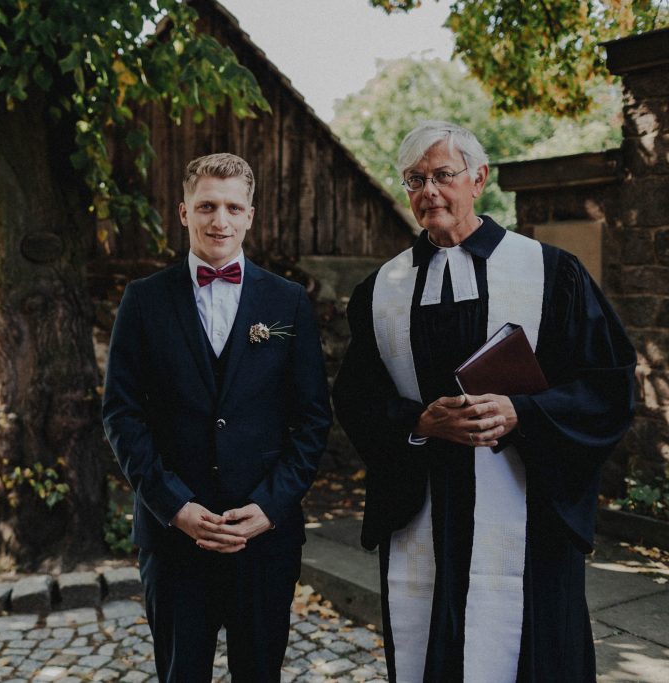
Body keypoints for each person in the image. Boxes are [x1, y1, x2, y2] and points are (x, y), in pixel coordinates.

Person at [332, 120, 636, 682]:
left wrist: (525, 412)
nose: (429, 192)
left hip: (528, 511)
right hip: (424, 511)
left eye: (443, 175)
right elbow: (357, 397)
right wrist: (418, 421)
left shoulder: (551, 273)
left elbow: (609, 384)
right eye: (414, 180)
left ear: (479, 178)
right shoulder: (382, 291)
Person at [102, 153, 332, 682]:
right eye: (206, 206)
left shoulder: (288, 302)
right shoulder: (142, 301)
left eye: (232, 207)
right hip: (176, 538)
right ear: (183, 212)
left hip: (264, 539)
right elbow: (122, 413)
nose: (219, 220)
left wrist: (271, 507)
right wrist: (174, 505)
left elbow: (313, 418)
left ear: (251, 215)